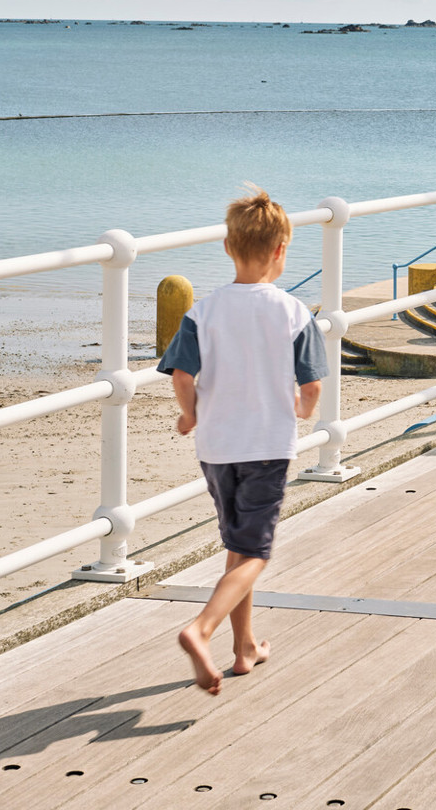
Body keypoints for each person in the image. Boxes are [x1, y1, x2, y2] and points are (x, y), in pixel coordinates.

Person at [157, 186, 329, 695]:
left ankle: (244, 647)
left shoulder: (202, 313)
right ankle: (201, 629)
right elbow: (312, 384)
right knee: (257, 552)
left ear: (228, 248)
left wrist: (189, 416)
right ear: (281, 250)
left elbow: (182, 376)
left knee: (237, 545)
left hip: (217, 447)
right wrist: (302, 411)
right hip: (267, 447)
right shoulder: (294, 312)